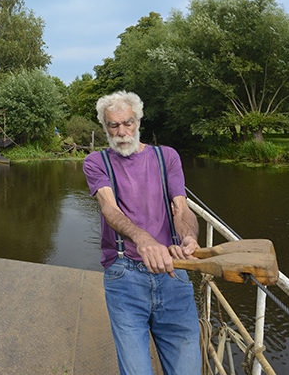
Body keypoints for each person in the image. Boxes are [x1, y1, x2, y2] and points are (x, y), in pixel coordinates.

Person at [83, 91, 201, 374]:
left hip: (174, 272)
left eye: (128, 123)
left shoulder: (167, 157)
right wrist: (143, 238)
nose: (122, 132)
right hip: (124, 277)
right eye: (113, 125)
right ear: (104, 127)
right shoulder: (96, 162)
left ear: (138, 121)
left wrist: (189, 238)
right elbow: (109, 209)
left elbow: (181, 209)